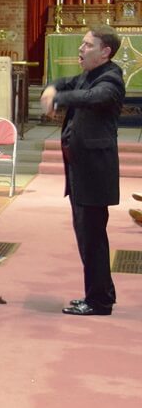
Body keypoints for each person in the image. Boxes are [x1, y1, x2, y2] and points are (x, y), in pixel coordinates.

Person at [40, 25, 125, 316]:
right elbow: (64, 81)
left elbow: (92, 98)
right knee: (86, 237)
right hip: (81, 170)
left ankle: (99, 301)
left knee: (93, 238)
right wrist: (53, 89)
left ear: (105, 52)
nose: (81, 48)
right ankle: (98, 294)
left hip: (94, 173)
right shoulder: (88, 75)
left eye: (88, 45)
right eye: (82, 43)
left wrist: (58, 99)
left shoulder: (110, 79)